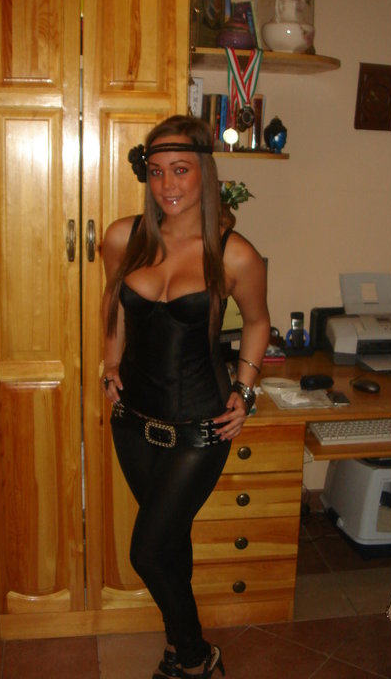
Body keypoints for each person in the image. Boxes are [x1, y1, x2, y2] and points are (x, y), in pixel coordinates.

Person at [101, 115, 270, 679]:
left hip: (201, 426)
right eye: (155, 172)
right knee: (169, 542)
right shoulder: (123, 238)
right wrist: (109, 364)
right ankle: (180, 651)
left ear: (204, 173)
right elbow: (113, 307)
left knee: (147, 551)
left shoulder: (234, 253)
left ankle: (196, 654)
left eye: (180, 170)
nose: (167, 184)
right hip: (132, 422)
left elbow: (258, 322)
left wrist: (245, 389)